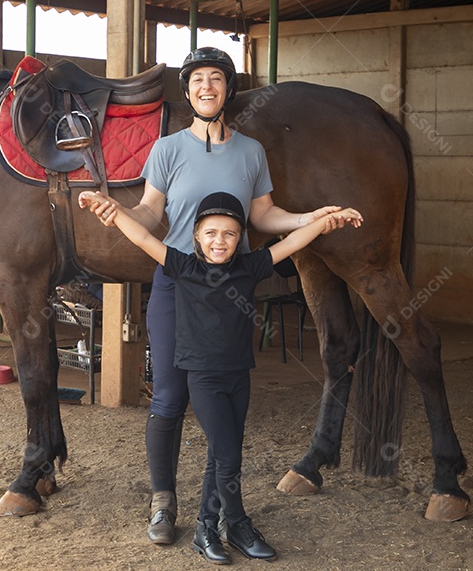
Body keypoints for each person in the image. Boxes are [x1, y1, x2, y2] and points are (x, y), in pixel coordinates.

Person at [80, 47, 349, 547]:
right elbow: (150, 213)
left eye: (217, 79)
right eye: (198, 79)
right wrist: (116, 213)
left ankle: (218, 513)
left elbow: (263, 217)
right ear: (188, 91)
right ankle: (163, 502)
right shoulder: (167, 149)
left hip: (230, 290)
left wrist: (308, 218)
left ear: (228, 89)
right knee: (169, 397)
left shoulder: (250, 152)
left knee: (224, 399)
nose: (207, 86)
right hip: (177, 280)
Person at [79, 189, 362, 563]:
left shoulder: (250, 267)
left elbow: (293, 242)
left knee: (221, 454)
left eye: (229, 233)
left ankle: (207, 529)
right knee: (229, 457)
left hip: (239, 376)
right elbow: (143, 237)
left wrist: (326, 221)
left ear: (240, 238)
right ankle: (236, 523)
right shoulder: (183, 266)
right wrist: (112, 211)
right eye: (211, 233)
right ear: (196, 235)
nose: (219, 241)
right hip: (204, 380)